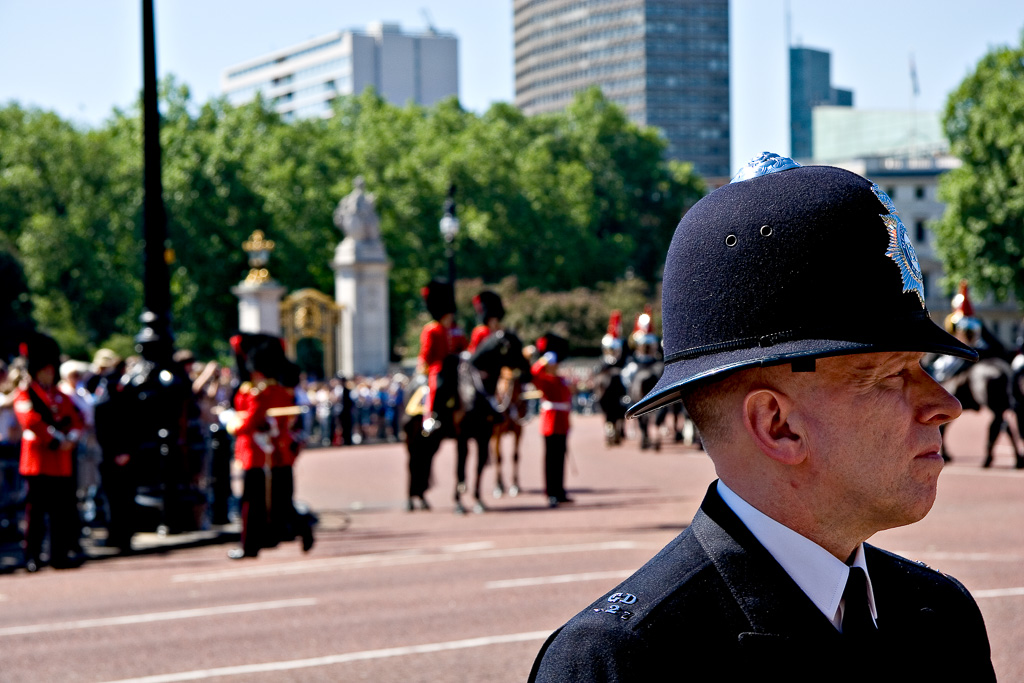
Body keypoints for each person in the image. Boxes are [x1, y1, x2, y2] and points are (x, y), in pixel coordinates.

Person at [529, 152, 995, 681]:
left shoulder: (942, 616)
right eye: (891, 374)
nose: (946, 404)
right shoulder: (620, 663)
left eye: (920, 367)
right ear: (778, 424)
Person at [13, 333, 85, 572]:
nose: (49, 374)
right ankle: (32, 556)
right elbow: (30, 420)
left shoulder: (58, 395)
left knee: (60, 513)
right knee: (35, 514)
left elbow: (76, 419)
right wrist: (57, 439)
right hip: (38, 460)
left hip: (61, 461)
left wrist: (70, 439)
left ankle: (58, 555)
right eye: (45, 370)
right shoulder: (26, 394)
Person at [416, 279, 466, 436]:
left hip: (457, 367)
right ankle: (430, 416)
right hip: (438, 368)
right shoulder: (431, 329)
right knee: (437, 385)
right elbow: (427, 354)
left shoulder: (456, 329)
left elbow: (465, 346)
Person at [530, 333, 572, 508]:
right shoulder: (545, 380)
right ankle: (551, 493)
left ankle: (560, 491)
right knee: (551, 460)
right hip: (550, 423)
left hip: (562, 422)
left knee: (560, 458)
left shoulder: (561, 380)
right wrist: (542, 361)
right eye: (552, 365)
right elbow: (534, 373)